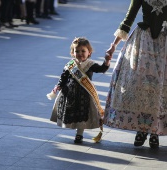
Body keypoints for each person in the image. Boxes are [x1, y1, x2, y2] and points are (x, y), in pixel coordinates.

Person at [104, 0, 167, 149]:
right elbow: (129, 18)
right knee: (141, 85)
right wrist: (113, 45)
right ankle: (142, 128)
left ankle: (155, 131)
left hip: (165, 44)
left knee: (161, 87)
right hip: (144, 42)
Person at [50, 37, 112, 144]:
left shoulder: (90, 64)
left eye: (83, 51)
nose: (80, 53)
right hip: (70, 95)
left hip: (85, 95)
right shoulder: (70, 65)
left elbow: (101, 69)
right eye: (77, 51)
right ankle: (73, 126)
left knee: (82, 114)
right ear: (72, 53)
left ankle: (79, 134)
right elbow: (63, 78)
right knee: (74, 113)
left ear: (89, 52)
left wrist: (107, 61)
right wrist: (58, 86)